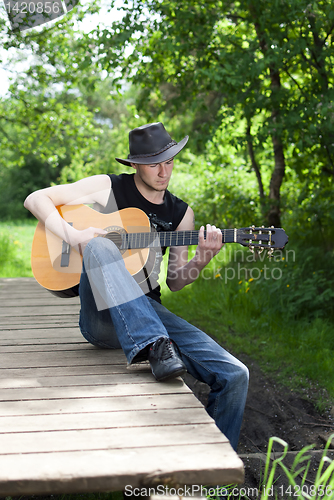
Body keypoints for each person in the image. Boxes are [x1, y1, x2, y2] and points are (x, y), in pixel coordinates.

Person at [24, 122, 249, 451]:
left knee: (236, 374)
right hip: (103, 316)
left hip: (150, 310)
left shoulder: (181, 213)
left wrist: (202, 259)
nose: (163, 171)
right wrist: (75, 237)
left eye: (169, 160)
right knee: (101, 246)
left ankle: (211, 468)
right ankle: (156, 345)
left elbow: (175, 281)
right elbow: (36, 198)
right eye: (154, 163)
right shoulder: (108, 188)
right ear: (134, 164)